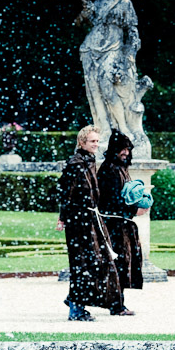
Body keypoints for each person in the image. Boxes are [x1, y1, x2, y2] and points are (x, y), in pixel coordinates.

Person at [75, 0, 153, 159]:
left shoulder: (125, 3)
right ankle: (102, 130)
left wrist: (130, 56)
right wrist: (86, 14)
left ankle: (123, 127)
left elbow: (133, 30)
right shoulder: (99, 3)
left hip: (113, 48)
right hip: (90, 49)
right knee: (94, 91)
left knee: (107, 86)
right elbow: (78, 23)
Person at [56, 125, 121, 321]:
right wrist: (63, 217)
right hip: (79, 221)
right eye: (92, 141)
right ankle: (76, 308)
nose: (96, 144)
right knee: (82, 263)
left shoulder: (89, 161)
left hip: (90, 218)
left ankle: (74, 300)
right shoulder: (76, 164)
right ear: (82, 142)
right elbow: (65, 193)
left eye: (97, 141)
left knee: (97, 261)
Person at [96, 129, 149, 316]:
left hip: (121, 224)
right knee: (117, 264)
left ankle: (117, 303)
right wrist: (134, 210)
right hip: (114, 225)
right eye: (122, 149)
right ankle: (116, 305)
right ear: (114, 150)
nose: (126, 153)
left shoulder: (119, 168)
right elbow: (112, 200)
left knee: (122, 264)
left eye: (128, 149)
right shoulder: (110, 170)